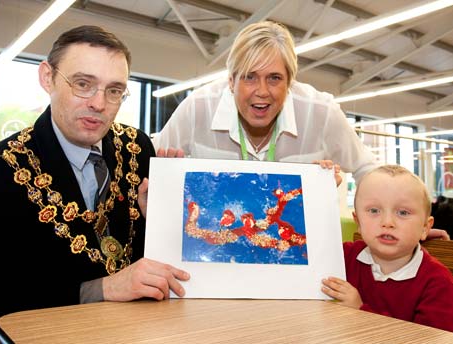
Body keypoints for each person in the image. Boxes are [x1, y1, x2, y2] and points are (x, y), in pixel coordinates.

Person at [0, 25, 189, 324]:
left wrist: (162, 219)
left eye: (114, 90)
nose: (99, 103)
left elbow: (152, 262)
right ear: (48, 78)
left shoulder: (138, 148)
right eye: (83, 84)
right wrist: (101, 289)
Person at [152, 21, 377, 185]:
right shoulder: (199, 108)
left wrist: (372, 220)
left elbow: (368, 169)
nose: (262, 91)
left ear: (290, 81)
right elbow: (148, 159)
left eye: (274, 78)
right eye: (250, 77)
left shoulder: (321, 112)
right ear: (231, 81)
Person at [321, 165, 453, 332]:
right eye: (374, 210)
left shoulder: (437, 282)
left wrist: (360, 313)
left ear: (425, 228)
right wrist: (318, 189)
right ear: (358, 222)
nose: (387, 222)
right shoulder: (344, 256)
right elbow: (299, 248)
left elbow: (430, 339)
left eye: (403, 213)